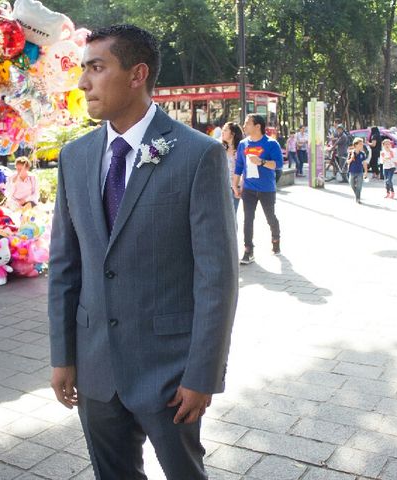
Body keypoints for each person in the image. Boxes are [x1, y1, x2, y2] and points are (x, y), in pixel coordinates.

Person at [48, 25, 238, 480]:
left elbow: (217, 277)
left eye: (97, 68)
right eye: (83, 69)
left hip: (171, 373)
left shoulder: (199, 155)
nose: (83, 83)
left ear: (137, 75)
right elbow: (64, 265)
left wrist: (202, 375)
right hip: (94, 367)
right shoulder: (75, 157)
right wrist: (63, 355)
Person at [234, 114, 283, 264]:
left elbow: (278, 164)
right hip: (248, 188)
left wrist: (261, 161)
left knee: (270, 217)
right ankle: (248, 250)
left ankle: (276, 238)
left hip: (266, 188)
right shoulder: (243, 144)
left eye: (247, 123)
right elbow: (239, 167)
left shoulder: (271, 143)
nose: (244, 126)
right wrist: (235, 185)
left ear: (257, 126)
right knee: (248, 219)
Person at [222, 121, 244, 212]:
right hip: (221, 187)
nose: (222, 132)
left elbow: (244, 170)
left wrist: (239, 187)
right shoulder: (220, 148)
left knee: (232, 216)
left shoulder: (241, 150)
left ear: (233, 134)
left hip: (234, 188)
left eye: (225, 130)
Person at [346, 137, 368, 204]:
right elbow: (347, 162)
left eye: (362, 144)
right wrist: (351, 159)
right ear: (355, 145)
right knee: (352, 184)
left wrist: (366, 172)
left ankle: (358, 198)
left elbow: (364, 163)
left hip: (360, 172)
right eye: (360, 144)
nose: (362, 145)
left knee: (359, 186)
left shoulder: (362, 154)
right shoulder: (351, 153)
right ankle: (357, 195)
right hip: (352, 171)